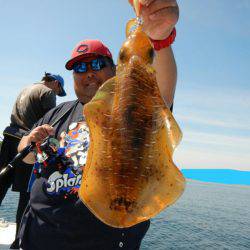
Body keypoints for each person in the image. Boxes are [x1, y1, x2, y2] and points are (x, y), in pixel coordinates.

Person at [18, 1, 179, 249]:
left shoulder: (136, 105)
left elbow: (163, 95)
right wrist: (30, 142)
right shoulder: (58, 112)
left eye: (97, 64)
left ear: (115, 69)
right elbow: (24, 154)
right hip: (35, 238)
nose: (88, 72)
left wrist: (160, 39)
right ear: (73, 77)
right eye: (80, 67)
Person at [0, 72, 66, 249]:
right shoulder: (48, 92)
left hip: (8, 138)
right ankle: (18, 242)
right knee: (26, 194)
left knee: (1, 185)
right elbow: (50, 125)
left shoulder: (27, 88)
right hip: (25, 145)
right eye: (59, 91)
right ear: (56, 84)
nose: (57, 95)